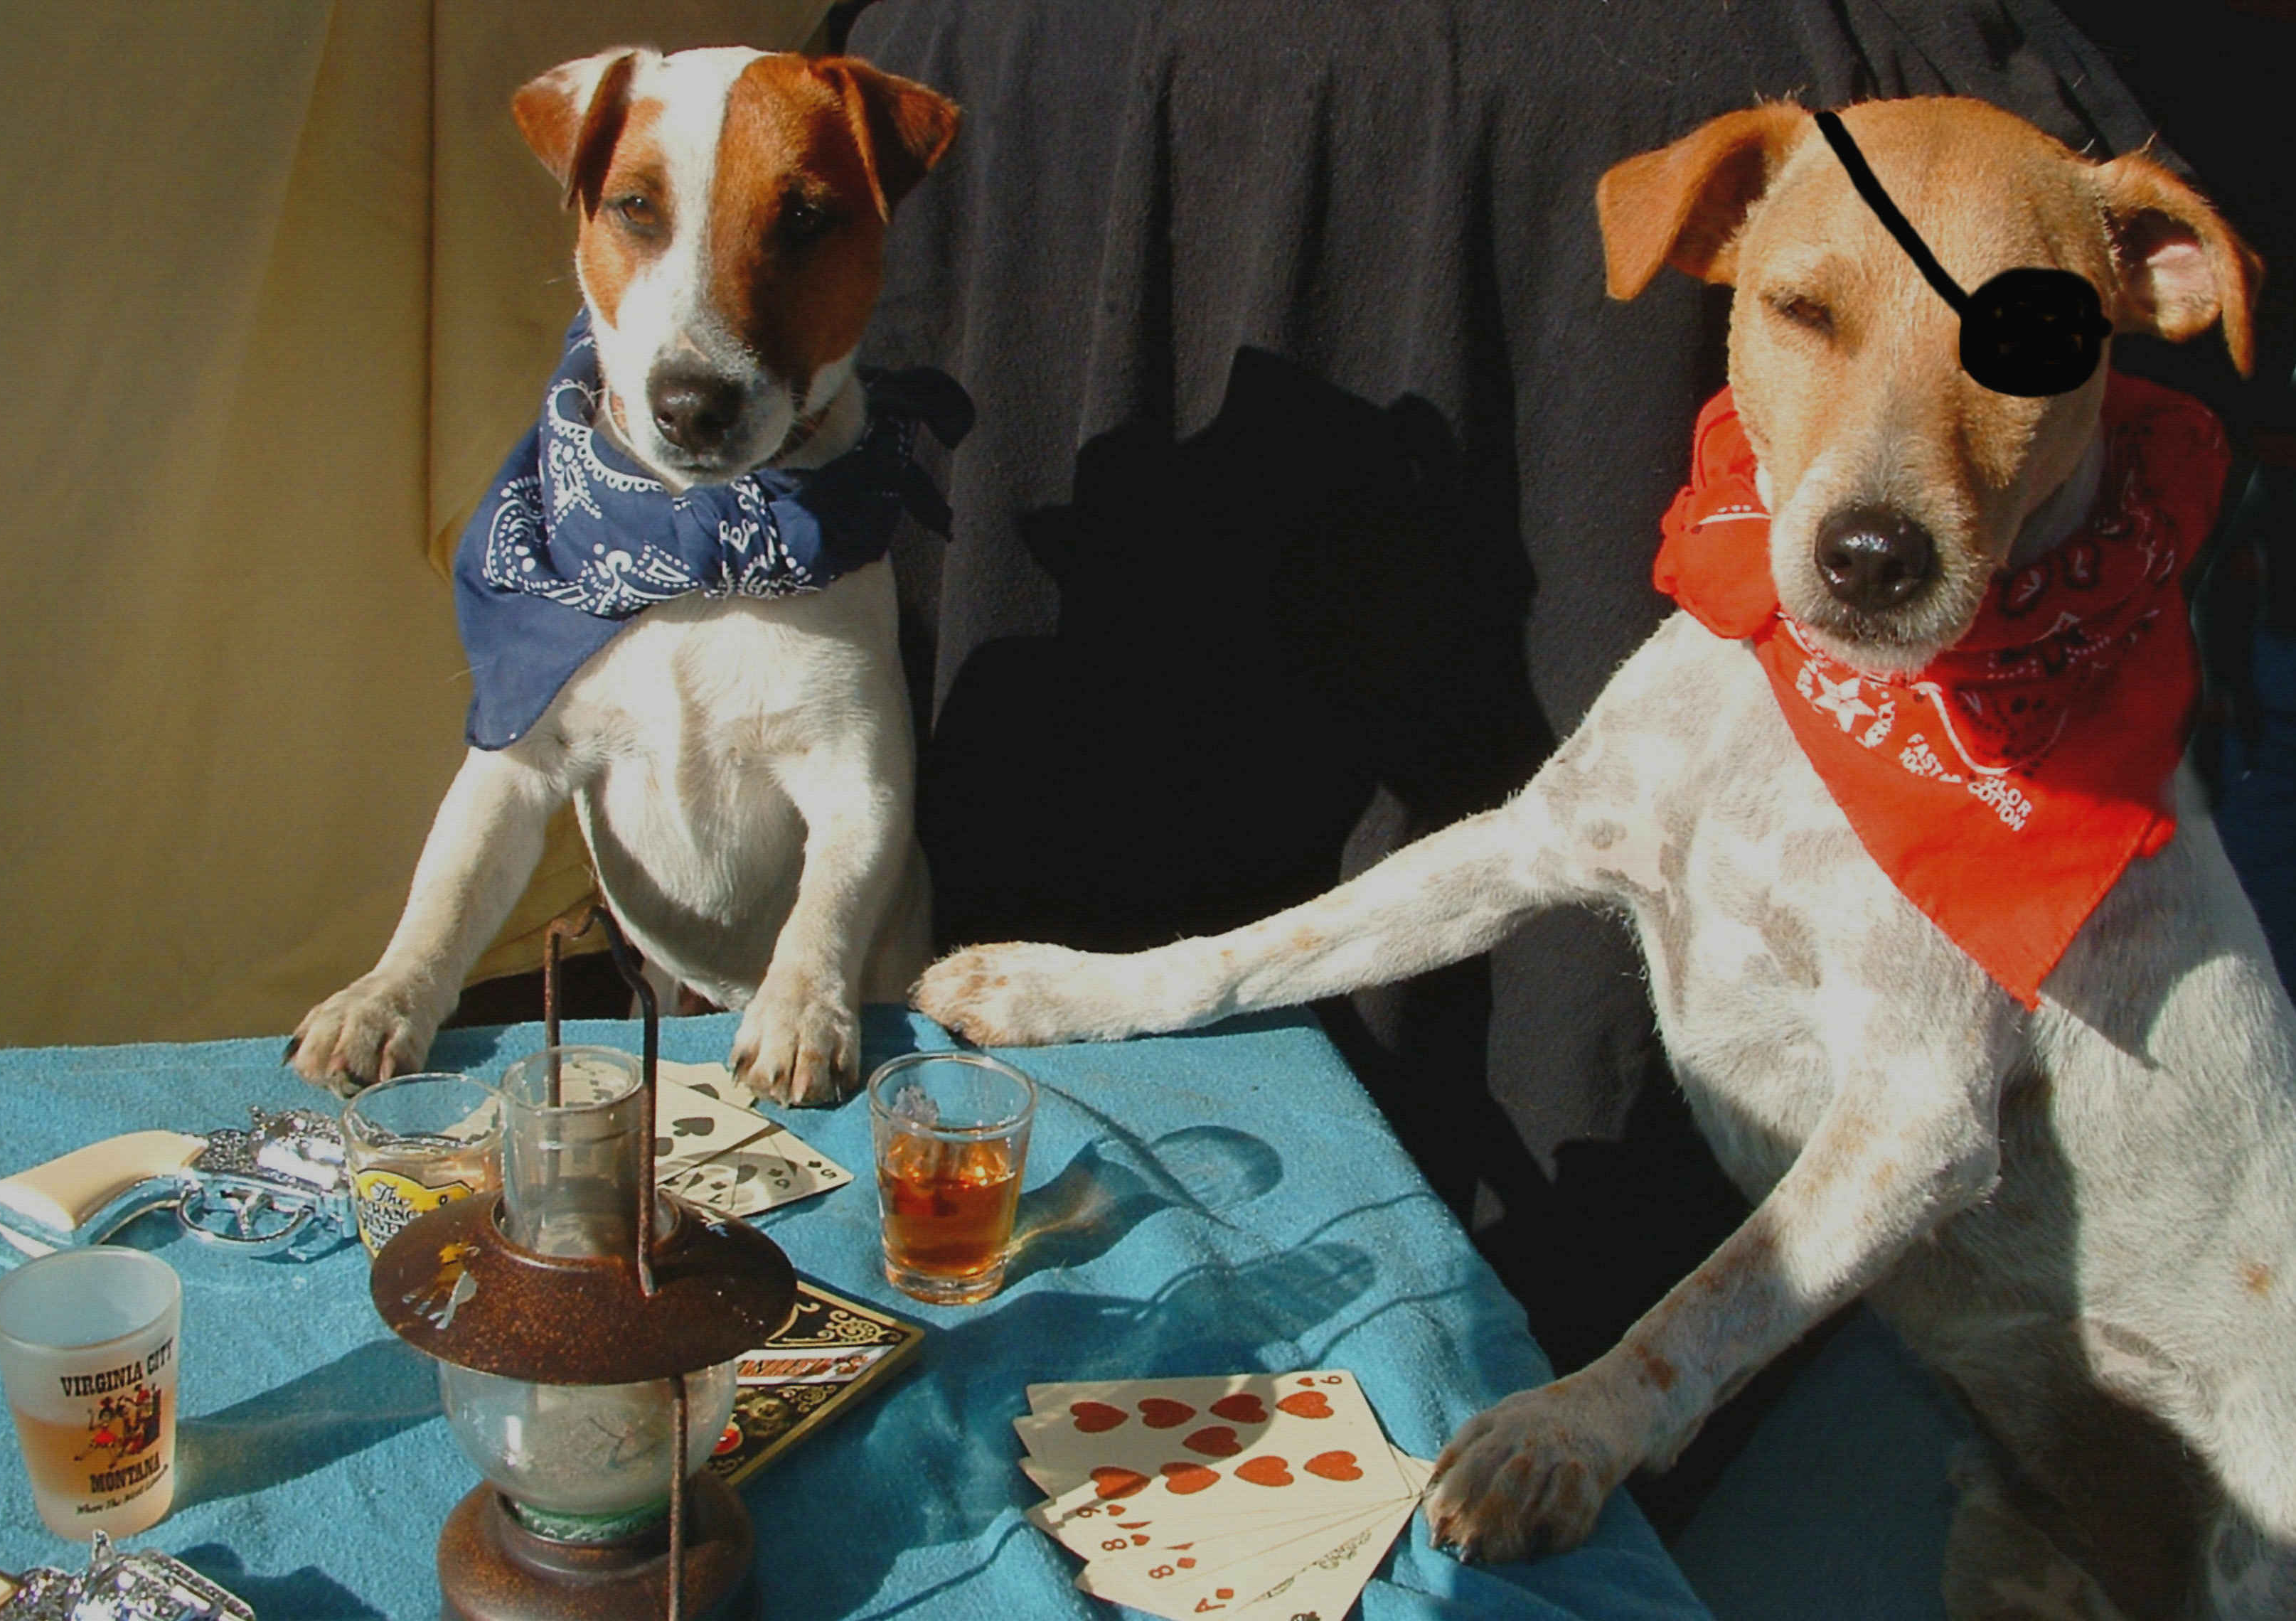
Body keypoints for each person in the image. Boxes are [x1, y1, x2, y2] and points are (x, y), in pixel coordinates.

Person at [843, 0, 2210, 1526]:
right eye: (1811, 317)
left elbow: (1925, 1133)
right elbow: (1517, 851)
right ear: (1724, 257)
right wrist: (1144, 988)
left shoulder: (2066, 766)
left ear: (2159, 285)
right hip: (1967, 1434)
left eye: (2007, 349)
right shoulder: (1727, 641)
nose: (1881, 487)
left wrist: (1616, 1407)